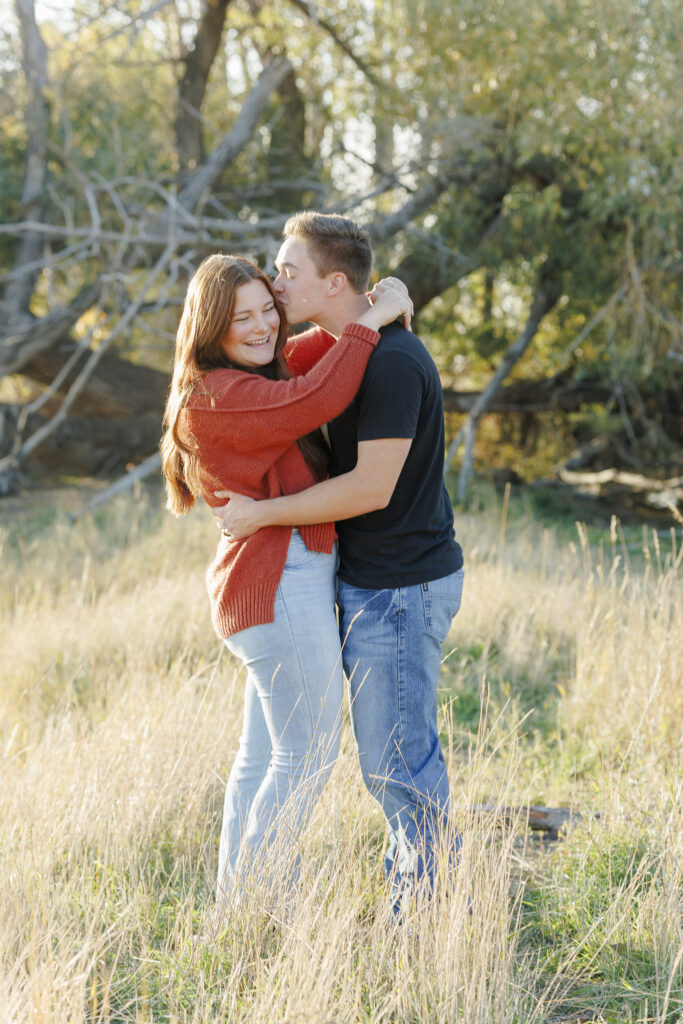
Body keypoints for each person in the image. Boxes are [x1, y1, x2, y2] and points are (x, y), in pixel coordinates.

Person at [215, 212, 465, 913]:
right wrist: (387, 295)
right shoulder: (350, 345)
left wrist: (258, 513)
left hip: (401, 586)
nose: (275, 280)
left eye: (288, 270)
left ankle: (427, 916)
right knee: (387, 759)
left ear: (332, 281)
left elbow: (368, 488)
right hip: (372, 579)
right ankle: (414, 900)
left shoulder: (389, 361)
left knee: (396, 764)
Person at [160, 253, 411, 908]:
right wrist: (375, 318)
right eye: (239, 317)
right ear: (209, 327)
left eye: (266, 309)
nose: (260, 326)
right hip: (278, 583)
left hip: (269, 585)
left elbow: (314, 353)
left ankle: (235, 907)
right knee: (306, 757)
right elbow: (319, 394)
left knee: (262, 758)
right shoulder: (223, 397)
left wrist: (365, 303)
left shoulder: (239, 379)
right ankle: (263, 910)